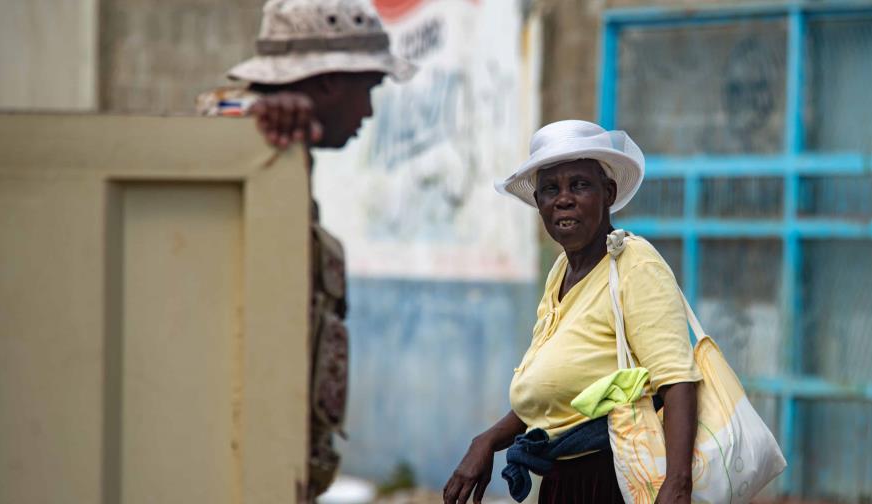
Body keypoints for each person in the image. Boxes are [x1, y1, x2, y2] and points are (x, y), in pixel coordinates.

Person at [199, 0, 416, 499]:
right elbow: (205, 116)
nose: (367, 111)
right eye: (368, 90)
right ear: (328, 83)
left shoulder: (287, 161)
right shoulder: (241, 139)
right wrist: (253, 110)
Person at [443, 120, 701, 504]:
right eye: (550, 189)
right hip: (565, 482)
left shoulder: (633, 264)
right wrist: (488, 441)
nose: (563, 199)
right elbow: (558, 387)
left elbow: (677, 379)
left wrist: (677, 486)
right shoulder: (561, 271)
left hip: (615, 482)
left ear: (608, 193)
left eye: (579, 185)